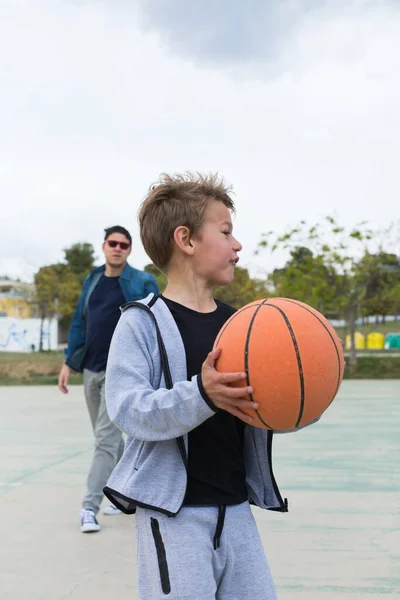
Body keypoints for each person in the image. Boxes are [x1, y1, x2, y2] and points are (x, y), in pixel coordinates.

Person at [103, 175, 314, 599]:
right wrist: (202, 394)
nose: (237, 246)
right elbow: (128, 409)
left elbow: (268, 410)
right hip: (174, 514)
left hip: (236, 510)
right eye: (226, 232)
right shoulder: (140, 322)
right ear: (186, 240)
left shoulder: (243, 327)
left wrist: (314, 383)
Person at [58, 225, 159, 533]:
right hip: (90, 368)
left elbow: (156, 323)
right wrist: (68, 363)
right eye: (112, 243)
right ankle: (124, 494)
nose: (117, 248)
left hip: (122, 373)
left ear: (129, 250)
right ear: (104, 246)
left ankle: (89, 508)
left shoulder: (142, 281)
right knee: (109, 441)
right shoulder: (92, 279)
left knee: (105, 439)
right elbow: (79, 321)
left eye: (124, 245)